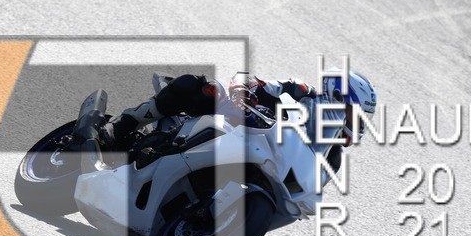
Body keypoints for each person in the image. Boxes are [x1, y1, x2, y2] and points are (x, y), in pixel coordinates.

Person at [96, 71, 377, 153]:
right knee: (201, 87)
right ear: (335, 98)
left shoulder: (330, 155)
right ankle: (123, 125)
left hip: (259, 158)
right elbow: (254, 82)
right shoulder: (301, 91)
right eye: (354, 115)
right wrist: (245, 95)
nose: (356, 125)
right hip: (238, 122)